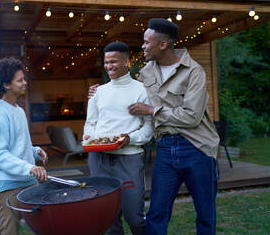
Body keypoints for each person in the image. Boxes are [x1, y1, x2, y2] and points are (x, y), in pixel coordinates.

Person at [90, 18, 220, 235]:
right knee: (156, 213)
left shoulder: (194, 72)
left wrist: (152, 111)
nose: (142, 46)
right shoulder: (147, 72)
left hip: (197, 147)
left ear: (163, 45)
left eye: (146, 42)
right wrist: (98, 93)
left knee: (205, 213)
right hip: (165, 147)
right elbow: (127, 93)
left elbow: (192, 117)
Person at [83, 42, 153, 235]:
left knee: (135, 217)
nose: (109, 66)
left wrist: (130, 139)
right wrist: (89, 138)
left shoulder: (142, 90)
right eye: (106, 62)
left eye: (113, 61)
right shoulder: (98, 92)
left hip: (129, 158)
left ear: (127, 62)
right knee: (109, 218)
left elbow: (149, 128)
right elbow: (90, 123)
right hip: (99, 158)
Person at [0, 58, 48, 235]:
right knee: (9, 231)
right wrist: (30, 167)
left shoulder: (19, 110)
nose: (24, 83)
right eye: (19, 80)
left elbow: (20, 145)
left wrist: (35, 151)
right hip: (5, 183)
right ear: (6, 84)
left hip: (26, 180)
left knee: (40, 226)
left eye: (24, 79)